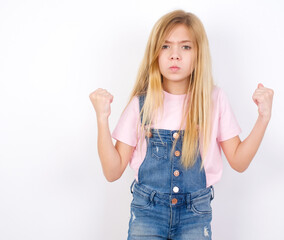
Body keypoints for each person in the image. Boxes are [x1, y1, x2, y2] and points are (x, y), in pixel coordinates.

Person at [89, 9, 273, 240]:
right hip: (147, 213)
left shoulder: (213, 99)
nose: (174, 55)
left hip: (194, 215)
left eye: (185, 47)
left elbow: (239, 160)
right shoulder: (141, 104)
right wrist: (102, 118)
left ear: (198, 54)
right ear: (154, 54)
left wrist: (263, 118)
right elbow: (112, 171)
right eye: (165, 46)